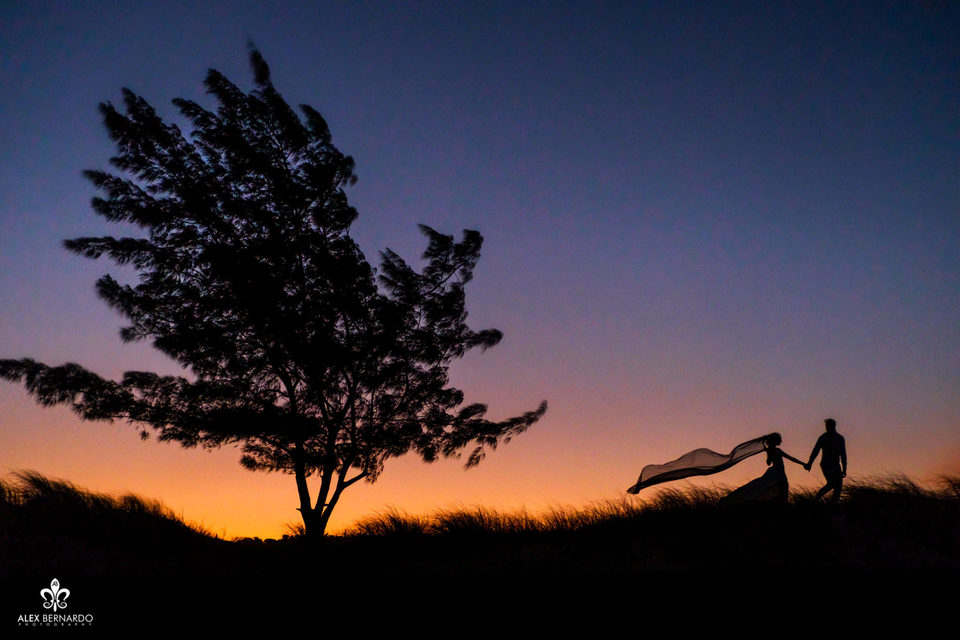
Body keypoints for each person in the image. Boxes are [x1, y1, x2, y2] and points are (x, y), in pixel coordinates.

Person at [721, 433, 805, 504]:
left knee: (763, 486)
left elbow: (768, 463)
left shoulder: (771, 451)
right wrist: (803, 464)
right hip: (778, 472)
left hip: (776, 471)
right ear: (775, 441)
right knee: (778, 488)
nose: (781, 441)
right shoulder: (776, 450)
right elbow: (790, 458)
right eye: (779, 440)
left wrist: (768, 452)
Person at [805, 418, 847, 502]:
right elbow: (815, 451)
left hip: (836, 464)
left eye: (828, 426)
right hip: (826, 464)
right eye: (826, 426)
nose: (827, 428)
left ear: (833, 426)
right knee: (832, 484)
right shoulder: (823, 438)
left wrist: (844, 468)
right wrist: (810, 463)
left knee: (838, 487)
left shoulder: (839, 438)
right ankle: (816, 498)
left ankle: (833, 504)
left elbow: (843, 454)